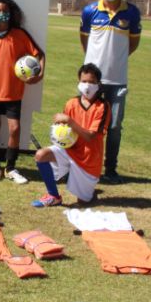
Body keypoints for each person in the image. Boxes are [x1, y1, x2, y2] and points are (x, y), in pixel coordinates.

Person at [80, 0, 141, 184]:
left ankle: (111, 170)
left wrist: (117, 60)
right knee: (87, 124)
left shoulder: (131, 12)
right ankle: (85, 167)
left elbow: (133, 43)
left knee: (114, 127)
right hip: (92, 82)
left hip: (118, 80)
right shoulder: (89, 11)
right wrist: (92, 68)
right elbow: (84, 40)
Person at [0, 0, 44, 184]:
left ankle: (11, 167)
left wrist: (38, 75)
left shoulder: (19, 35)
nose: (2, 14)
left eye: (5, 10)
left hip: (13, 91)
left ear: (12, 13)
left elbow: (40, 54)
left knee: (15, 128)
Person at [31, 63, 110, 207]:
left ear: (98, 84)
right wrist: (58, 131)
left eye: (92, 82)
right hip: (69, 150)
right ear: (79, 82)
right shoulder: (71, 103)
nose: (87, 85)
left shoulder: (103, 107)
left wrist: (70, 121)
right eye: (84, 81)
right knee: (41, 155)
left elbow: (90, 137)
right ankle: (54, 196)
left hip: (89, 159)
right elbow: (64, 129)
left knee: (83, 202)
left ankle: (88, 191)